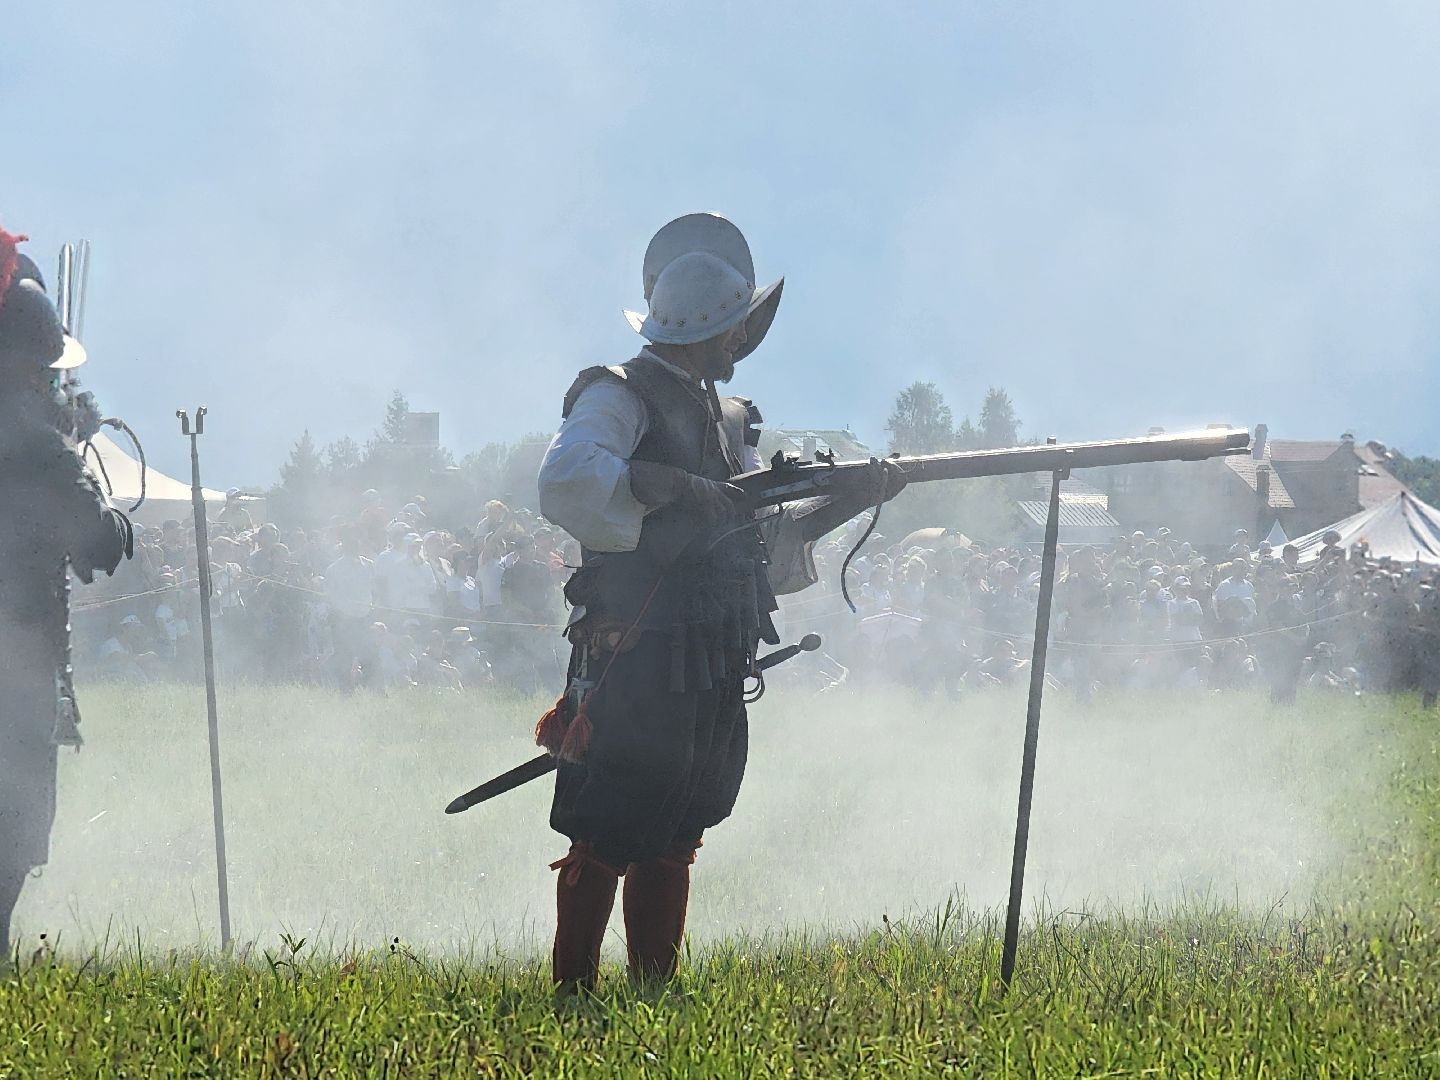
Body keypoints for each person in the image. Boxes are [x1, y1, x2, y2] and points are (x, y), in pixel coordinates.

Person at [532, 213, 903, 992]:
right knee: (609, 828)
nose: (741, 340)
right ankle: (573, 996)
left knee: (678, 827)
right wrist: (672, 485)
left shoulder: (732, 419)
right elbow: (568, 481)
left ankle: (653, 991)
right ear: (710, 328)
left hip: (712, 651)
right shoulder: (617, 394)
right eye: (734, 327)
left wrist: (849, 497)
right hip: (636, 652)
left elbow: (755, 537)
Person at [0, 229, 131, 956]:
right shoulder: (36, 445)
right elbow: (97, 544)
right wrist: (75, 452)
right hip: (13, 660)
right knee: (9, 832)